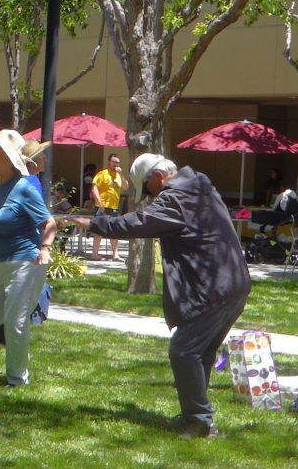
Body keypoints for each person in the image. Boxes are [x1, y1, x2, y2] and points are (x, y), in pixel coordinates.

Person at [69, 153, 250, 439]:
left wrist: (92, 223)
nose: (152, 196)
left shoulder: (175, 197)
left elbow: (138, 223)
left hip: (213, 288)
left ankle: (200, 422)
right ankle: (196, 414)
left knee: (184, 350)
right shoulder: (201, 188)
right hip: (234, 284)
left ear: (158, 177)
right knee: (199, 350)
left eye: (149, 189)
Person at [0, 130, 56, 388]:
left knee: (15, 322)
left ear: (11, 157)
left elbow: (49, 222)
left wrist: (45, 248)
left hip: (25, 263)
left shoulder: (24, 187)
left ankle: (17, 379)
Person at [89, 153, 124, 261]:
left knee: (114, 231)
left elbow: (126, 185)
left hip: (114, 207)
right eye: (113, 162)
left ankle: (115, 255)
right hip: (102, 206)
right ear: (109, 162)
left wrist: (122, 175)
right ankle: (94, 254)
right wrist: (99, 203)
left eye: (117, 162)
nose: (115, 164)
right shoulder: (102, 174)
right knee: (99, 230)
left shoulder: (118, 176)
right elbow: (94, 188)